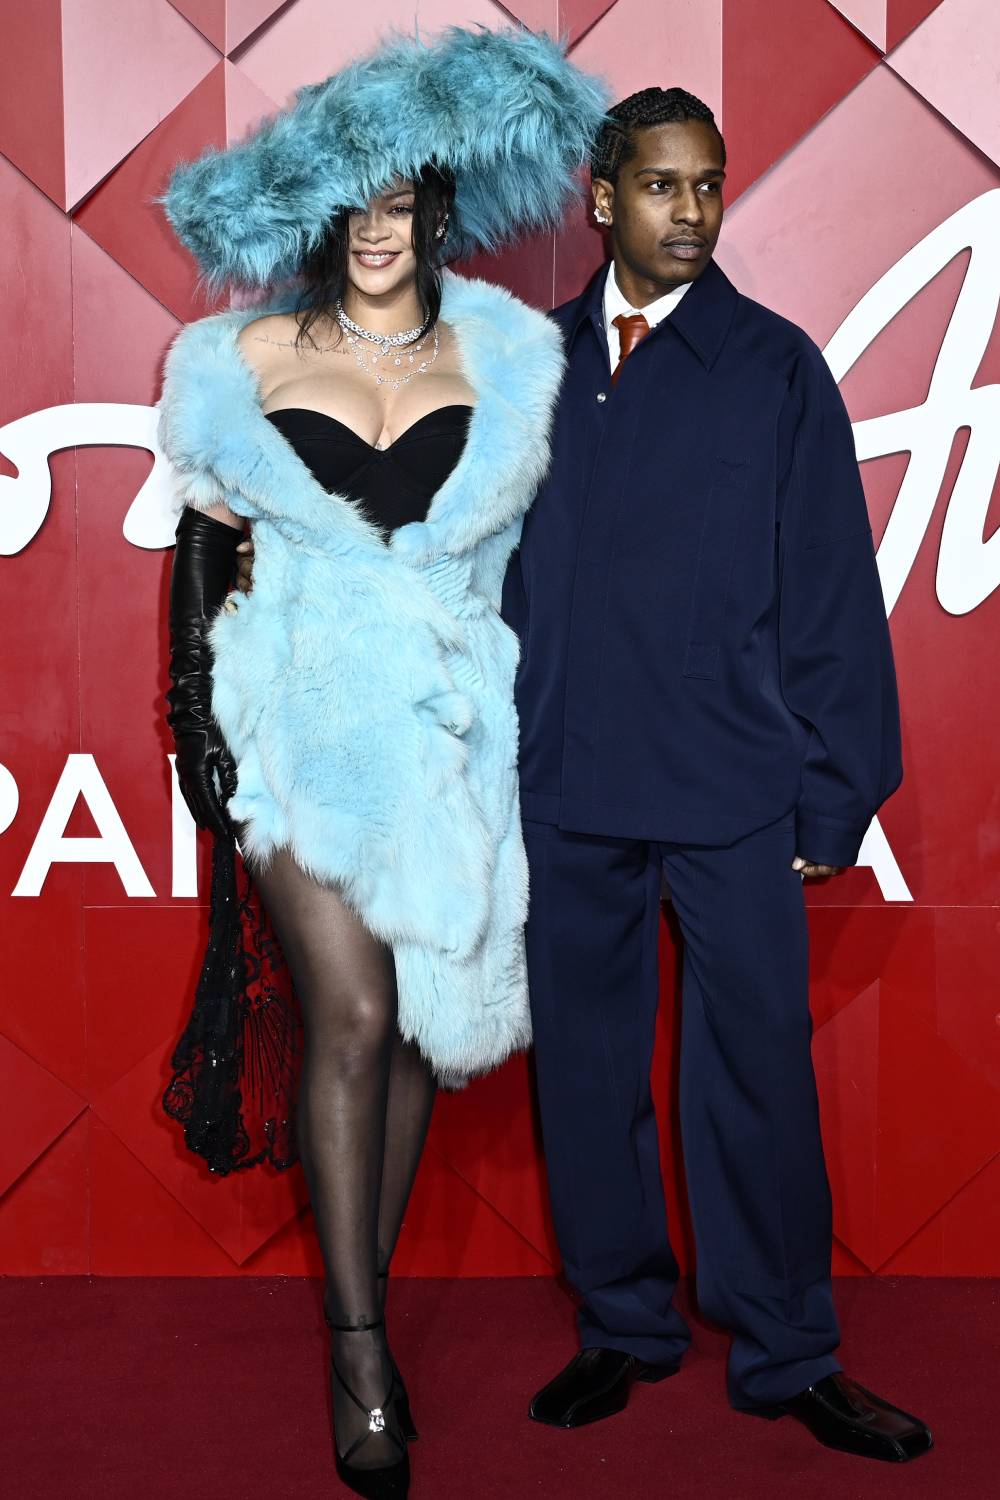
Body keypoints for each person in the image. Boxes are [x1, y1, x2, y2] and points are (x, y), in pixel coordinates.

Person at [155, 29, 606, 1499]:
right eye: (352, 210)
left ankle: (365, 1298)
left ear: (432, 211)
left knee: (416, 1032)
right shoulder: (243, 357)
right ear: (322, 221)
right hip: (291, 715)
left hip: (443, 734)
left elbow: (540, 559)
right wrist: (202, 736)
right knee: (348, 1012)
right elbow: (205, 548)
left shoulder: (507, 352)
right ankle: (361, 1355)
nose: (377, 232)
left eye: (399, 205)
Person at [500, 86, 932, 1465]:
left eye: (710, 185)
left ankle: (789, 1348)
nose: (693, 210)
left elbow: (829, 598)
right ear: (602, 198)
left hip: (735, 791)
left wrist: (833, 788)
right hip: (563, 787)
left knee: (756, 1076)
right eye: (664, 186)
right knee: (584, 1075)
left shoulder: (775, 365)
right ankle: (623, 1326)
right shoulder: (527, 365)